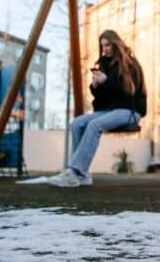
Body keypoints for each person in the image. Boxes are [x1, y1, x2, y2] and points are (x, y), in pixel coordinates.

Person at [47, 29, 146, 187]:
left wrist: (106, 81)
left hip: (130, 111)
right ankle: (83, 175)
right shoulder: (103, 64)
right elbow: (100, 103)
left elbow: (128, 94)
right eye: (102, 46)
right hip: (110, 110)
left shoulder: (130, 64)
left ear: (116, 43)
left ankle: (73, 171)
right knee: (77, 123)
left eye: (108, 45)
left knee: (95, 125)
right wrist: (96, 86)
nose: (105, 49)